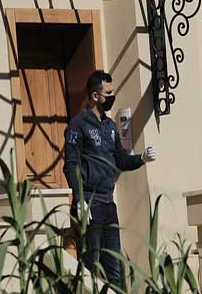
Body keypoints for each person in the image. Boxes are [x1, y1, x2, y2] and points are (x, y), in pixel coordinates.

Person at [63, 70, 156, 287]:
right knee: (90, 268)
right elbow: (71, 165)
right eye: (108, 93)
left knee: (114, 270)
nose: (112, 96)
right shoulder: (78, 125)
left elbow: (120, 159)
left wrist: (141, 158)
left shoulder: (110, 126)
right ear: (95, 96)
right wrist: (79, 198)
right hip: (90, 204)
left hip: (108, 204)